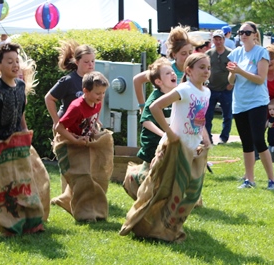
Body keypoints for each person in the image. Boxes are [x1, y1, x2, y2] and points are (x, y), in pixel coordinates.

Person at [120, 53, 211, 242]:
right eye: (201, 67)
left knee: (192, 191)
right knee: (163, 189)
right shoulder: (184, 90)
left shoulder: (206, 92)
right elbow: (155, 107)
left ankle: (168, 226)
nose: (206, 71)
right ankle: (153, 226)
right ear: (189, 70)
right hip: (174, 148)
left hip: (192, 148)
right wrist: (169, 133)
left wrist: (205, 138)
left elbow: (200, 118)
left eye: (208, 68)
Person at [0, 42, 50, 236]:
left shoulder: (20, 86)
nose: (15, 65)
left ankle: (32, 223)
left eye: (17, 61)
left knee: (25, 182)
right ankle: (8, 224)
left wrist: (25, 131)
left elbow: (20, 113)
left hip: (18, 142)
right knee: (4, 187)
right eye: (9, 61)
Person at [52, 71, 113, 222]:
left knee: (93, 173)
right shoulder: (76, 107)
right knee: (82, 176)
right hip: (70, 143)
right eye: (98, 93)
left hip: (84, 142)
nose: (101, 97)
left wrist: (94, 127)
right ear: (85, 91)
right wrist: (74, 140)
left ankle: (67, 200)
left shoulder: (96, 103)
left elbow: (94, 115)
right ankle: (84, 213)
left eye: (103, 93)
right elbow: (59, 128)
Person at [226, 21, 274, 190]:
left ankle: (272, 180)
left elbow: (260, 79)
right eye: (240, 32)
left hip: (257, 102)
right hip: (239, 103)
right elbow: (230, 81)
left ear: (255, 34)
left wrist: (240, 71)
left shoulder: (261, 52)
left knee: (258, 140)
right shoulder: (235, 53)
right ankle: (249, 180)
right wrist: (233, 74)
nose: (243, 35)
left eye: (247, 32)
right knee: (246, 142)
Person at [45, 40, 96, 205]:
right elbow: (49, 98)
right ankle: (64, 197)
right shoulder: (68, 81)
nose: (90, 65)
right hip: (66, 127)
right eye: (86, 62)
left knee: (85, 163)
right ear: (77, 62)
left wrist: (95, 123)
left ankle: (81, 195)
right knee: (67, 164)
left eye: (93, 61)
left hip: (84, 128)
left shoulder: (94, 80)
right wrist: (56, 121)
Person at [123, 57, 176, 200]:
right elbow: (146, 121)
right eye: (168, 73)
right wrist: (165, 134)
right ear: (158, 82)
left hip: (167, 140)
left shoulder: (174, 94)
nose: (173, 74)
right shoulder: (155, 99)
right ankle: (134, 178)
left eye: (172, 72)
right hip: (152, 142)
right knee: (152, 174)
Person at [135, 25, 199, 113]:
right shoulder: (166, 68)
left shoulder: (194, 71)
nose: (188, 57)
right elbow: (137, 80)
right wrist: (142, 106)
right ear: (174, 54)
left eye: (190, 53)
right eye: (183, 53)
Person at [205, 29, 233, 145]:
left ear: (223, 40)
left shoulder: (230, 54)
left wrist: (232, 83)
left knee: (227, 115)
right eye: (215, 39)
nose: (217, 42)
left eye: (219, 39)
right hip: (211, 88)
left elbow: (234, 69)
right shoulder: (209, 54)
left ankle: (224, 137)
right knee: (208, 115)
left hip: (226, 88)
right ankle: (208, 137)